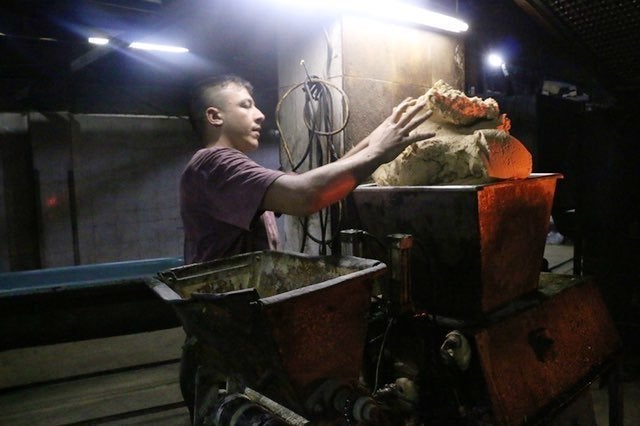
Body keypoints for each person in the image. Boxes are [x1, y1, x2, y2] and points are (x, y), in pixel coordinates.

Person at [178, 74, 435, 420]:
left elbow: (320, 178)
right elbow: (306, 194)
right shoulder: (216, 164)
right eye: (246, 105)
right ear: (214, 116)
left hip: (234, 335)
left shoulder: (226, 170)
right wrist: (379, 150)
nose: (260, 115)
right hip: (226, 347)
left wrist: (381, 134)